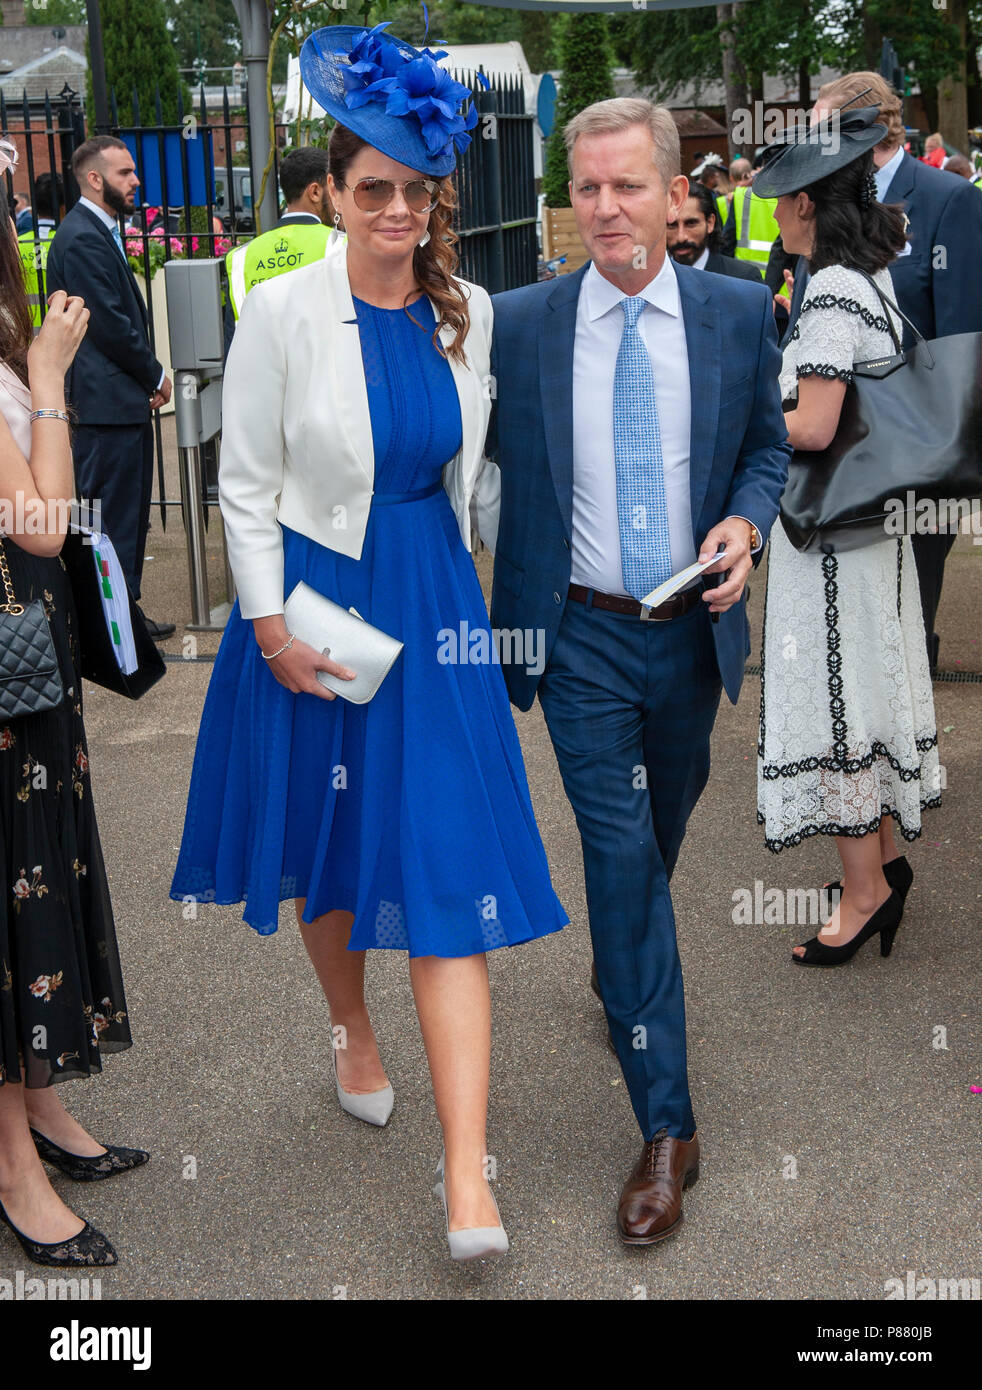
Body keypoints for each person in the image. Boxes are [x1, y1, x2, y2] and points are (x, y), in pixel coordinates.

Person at [170, 23, 567, 1263]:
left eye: (413, 189)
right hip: (312, 602)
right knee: (326, 838)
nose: (394, 208)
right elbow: (245, 482)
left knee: (444, 869)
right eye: (370, 188)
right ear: (332, 194)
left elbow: (468, 479)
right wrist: (271, 622)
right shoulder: (281, 305)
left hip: (432, 599)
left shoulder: (473, 314)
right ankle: (349, 1023)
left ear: (435, 194)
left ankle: (465, 1179)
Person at [487, 97, 790, 1245]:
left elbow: (766, 446)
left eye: (626, 187)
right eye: (587, 188)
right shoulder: (517, 323)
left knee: (655, 840)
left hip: (690, 634)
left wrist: (745, 526)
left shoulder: (730, 315)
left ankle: (627, 971)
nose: (604, 210)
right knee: (617, 858)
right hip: (578, 639)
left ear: (676, 195)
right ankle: (668, 1131)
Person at [0, 157, 147, 1271]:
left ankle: (41, 1106)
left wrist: (33, 369)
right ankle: (12, 1164)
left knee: (42, 871)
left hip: (29, 667)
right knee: (10, 899)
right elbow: (44, 521)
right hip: (9, 667)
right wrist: (49, 371)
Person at [753, 105, 941, 964]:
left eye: (783, 197)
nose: (773, 211)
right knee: (865, 693)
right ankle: (885, 868)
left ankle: (863, 894)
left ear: (806, 207)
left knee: (837, 707)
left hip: (832, 544)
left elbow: (818, 423)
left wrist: (748, 416)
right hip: (874, 538)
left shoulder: (829, 288)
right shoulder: (872, 278)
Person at [807, 72, 982, 673]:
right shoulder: (825, 202)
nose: (810, 146)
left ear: (864, 132)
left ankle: (908, 742)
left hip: (915, 463)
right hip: (834, 461)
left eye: (820, 131)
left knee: (906, 629)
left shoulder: (946, 198)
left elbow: (961, 341)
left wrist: (948, 467)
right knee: (847, 636)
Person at [44, 137, 175, 641]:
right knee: (107, 524)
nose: (135, 181)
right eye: (125, 173)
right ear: (95, 179)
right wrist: (156, 375)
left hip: (117, 405)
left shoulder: (96, 231)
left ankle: (124, 615)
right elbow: (110, 326)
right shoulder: (81, 237)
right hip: (104, 410)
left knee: (122, 520)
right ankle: (111, 627)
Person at [223, 145, 340, 330]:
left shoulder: (240, 259)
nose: (337, 201)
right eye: (333, 191)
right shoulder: (340, 246)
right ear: (315, 192)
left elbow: (233, 342)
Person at [668, 180, 763, 282]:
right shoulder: (651, 280)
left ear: (710, 223)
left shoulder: (744, 279)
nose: (681, 237)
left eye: (691, 224)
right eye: (671, 225)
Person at [17, 172, 63, 330]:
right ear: (63, 206)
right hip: (63, 335)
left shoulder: (18, 243)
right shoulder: (67, 243)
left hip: (24, 335)